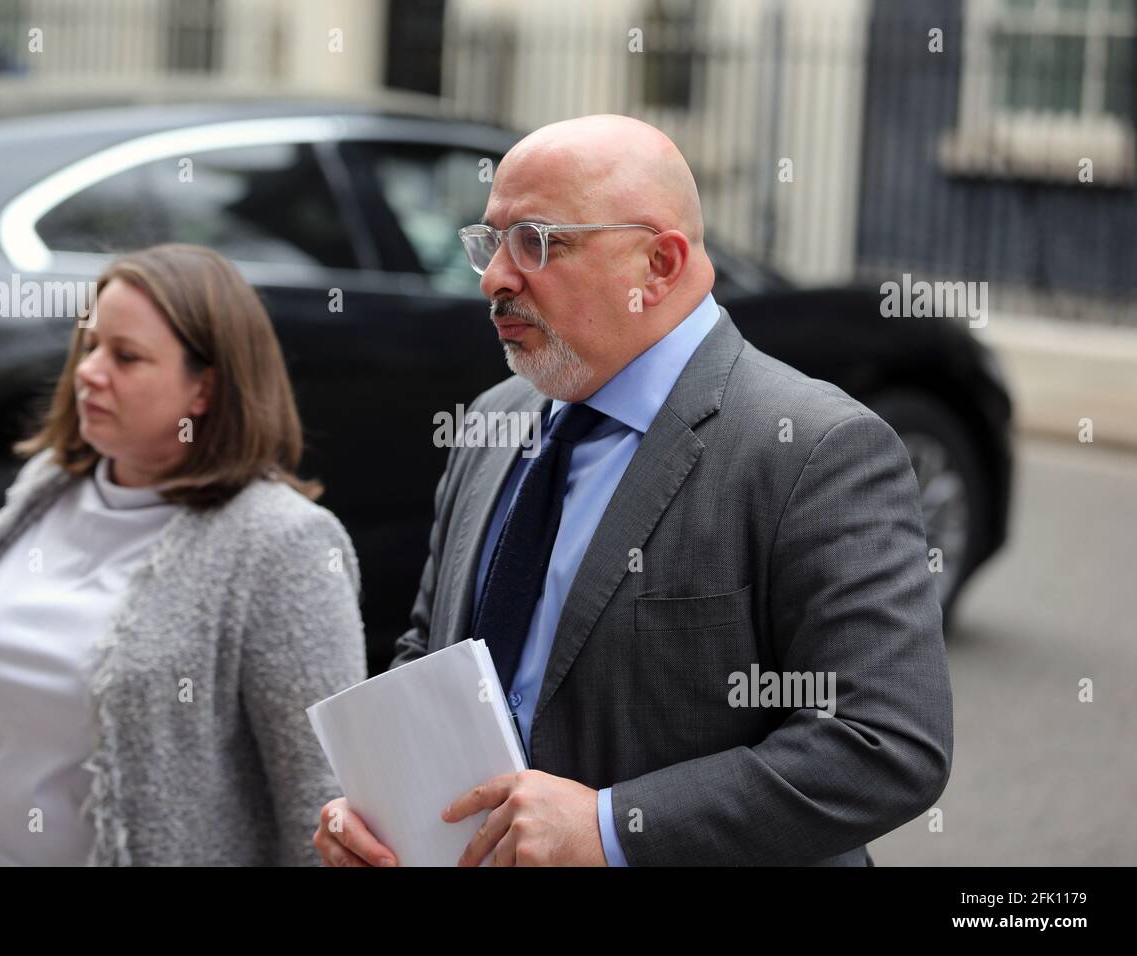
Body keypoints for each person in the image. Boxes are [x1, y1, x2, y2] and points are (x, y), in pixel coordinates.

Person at [314, 115, 953, 867]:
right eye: (489, 242)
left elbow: (882, 741)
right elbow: (431, 650)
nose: (493, 279)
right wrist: (378, 808)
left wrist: (615, 829)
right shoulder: (495, 419)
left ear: (657, 264)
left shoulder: (814, 448)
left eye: (537, 243)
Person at [0, 244, 365, 865]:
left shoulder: (280, 543)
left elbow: (321, 801)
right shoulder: (46, 485)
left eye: (126, 357)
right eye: (89, 344)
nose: (89, 371)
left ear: (204, 391)